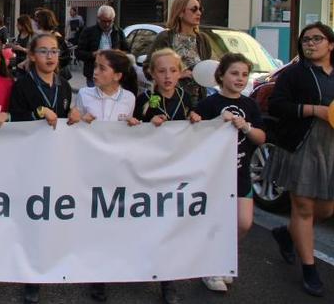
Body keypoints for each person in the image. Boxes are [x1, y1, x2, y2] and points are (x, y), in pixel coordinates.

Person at [268, 22, 334, 297]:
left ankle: (288, 233)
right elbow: (277, 105)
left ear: (331, 44)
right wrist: (313, 110)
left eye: (317, 39)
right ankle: (309, 268)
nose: (310, 43)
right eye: (305, 40)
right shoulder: (294, 74)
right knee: (304, 206)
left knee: (327, 209)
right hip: (302, 143)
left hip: (331, 146)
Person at [190, 53, 265, 294]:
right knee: (213, 220)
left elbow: (262, 138)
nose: (240, 78)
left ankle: (221, 257)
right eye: (234, 73)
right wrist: (209, 122)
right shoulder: (208, 104)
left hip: (240, 172)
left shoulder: (250, 105)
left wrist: (246, 126)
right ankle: (211, 265)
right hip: (212, 176)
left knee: (243, 223)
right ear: (221, 75)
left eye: (244, 74)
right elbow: (192, 134)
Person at [9, 32, 75, 303]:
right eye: (44, 51)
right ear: (33, 56)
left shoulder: (65, 86)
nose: (50, 56)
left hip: (56, 160)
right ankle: (31, 277)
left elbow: (66, 116)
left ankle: (53, 264)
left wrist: (74, 116)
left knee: (52, 214)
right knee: (32, 216)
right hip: (29, 159)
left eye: (54, 51)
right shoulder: (22, 85)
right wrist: (37, 113)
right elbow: (15, 120)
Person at [68, 49, 137, 302]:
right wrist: (77, 118)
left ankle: (110, 265)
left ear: (117, 75)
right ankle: (95, 273)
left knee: (112, 218)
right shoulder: (85, 94)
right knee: (93, 217)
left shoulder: (129, 98)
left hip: (116, 169)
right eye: (95, 67)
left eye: (102, 68)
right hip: (89, 167)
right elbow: (72, 124)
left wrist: (133, 124)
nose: (95, 72)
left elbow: (131, 127)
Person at [126, 48, 190, 304]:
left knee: (168, 225)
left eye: (173, 71)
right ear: (151, 72)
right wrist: (144, 121)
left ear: (180, 72)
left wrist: (196, 119)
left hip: (177, 171)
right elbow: (146, 115)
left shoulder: (187, 98)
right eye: (161, 71)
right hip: (148, 171)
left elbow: (197, 123)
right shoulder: (149, 97)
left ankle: (167, 280)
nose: (167, 76)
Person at [147, 0, 211, 107]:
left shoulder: (202, 39)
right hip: (167, 101)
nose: (199, 13)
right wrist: (177, 74)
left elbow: (207, 69)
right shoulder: (165, 37)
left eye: (200, 9)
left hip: (197, 101)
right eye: (194, 9)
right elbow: (148, 69)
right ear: (181, 13)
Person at [76, 5, 129, 88]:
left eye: (109, 21)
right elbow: (79, 53)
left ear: (113, 20)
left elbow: (127, 51)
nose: (107, 24)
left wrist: (118, 54)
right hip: (94, 74)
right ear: (98, 19)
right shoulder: (88, 32)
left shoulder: (118, 32)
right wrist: (93, 54)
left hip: (113, 74)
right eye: (104, 21)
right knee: (95, 99)